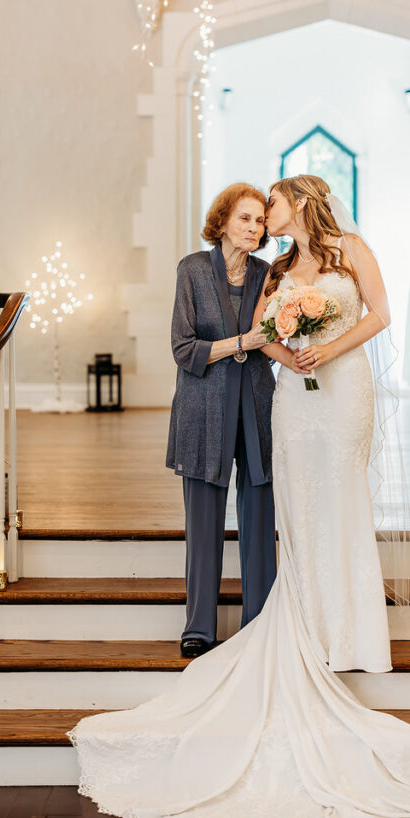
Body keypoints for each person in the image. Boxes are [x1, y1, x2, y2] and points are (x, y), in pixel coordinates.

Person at [69, 174, 410, 818]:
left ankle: (344, 628)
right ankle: (262, 621)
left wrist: (321, 352)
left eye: (269, 212)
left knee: (331, 503)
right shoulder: (259, 269)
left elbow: (376, 314)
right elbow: (253, 336)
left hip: (333, 390)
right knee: (288, 511)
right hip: (275, 398)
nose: (262, 224)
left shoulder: (337, 251)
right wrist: (288, 353)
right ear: (228, 221)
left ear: (297, 204)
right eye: (252, 216)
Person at [166, 183, 282, 658]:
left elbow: (275, 338)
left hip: (256, 403)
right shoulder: (192, 269)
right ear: (223, 220)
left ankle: (260, 621)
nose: (253, 228)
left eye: (260, 221)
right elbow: (183, 348)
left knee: (259, 514)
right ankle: (199, 626)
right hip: (203, 408)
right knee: (204, 519)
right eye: (245, 219)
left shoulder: (269, 274)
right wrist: (241, 344)